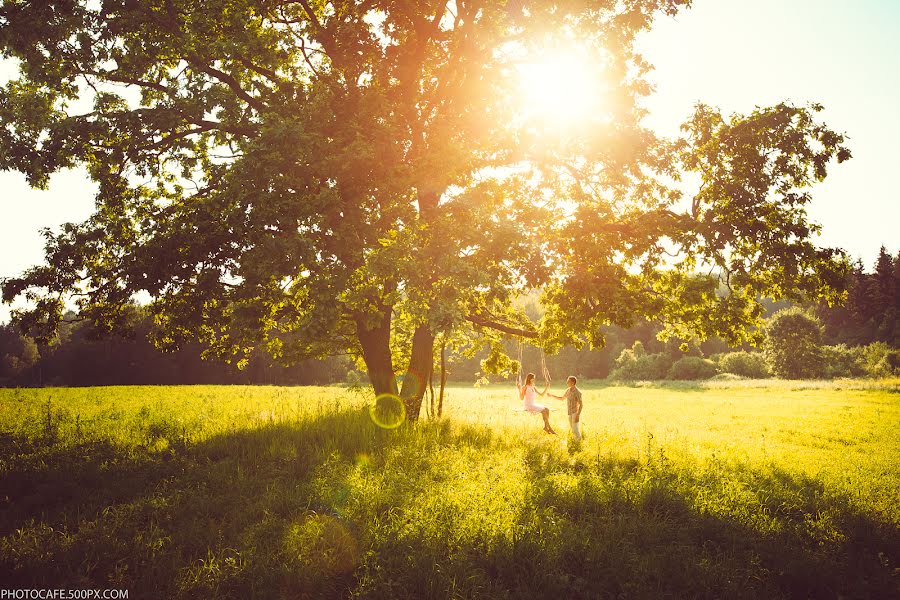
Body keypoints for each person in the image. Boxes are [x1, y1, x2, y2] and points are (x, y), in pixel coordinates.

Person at [549, 376, 583, 442]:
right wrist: (552, 395)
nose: (567, 382)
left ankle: (579, 443)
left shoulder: (577, 392)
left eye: (568, 381)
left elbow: (581, 404)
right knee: (573, 429)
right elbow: (562, 398)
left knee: (575, 429)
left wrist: (578, 415)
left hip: (575, 412)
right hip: (569, 412)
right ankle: (576, 442)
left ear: (573, 382)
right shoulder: (568, 390)